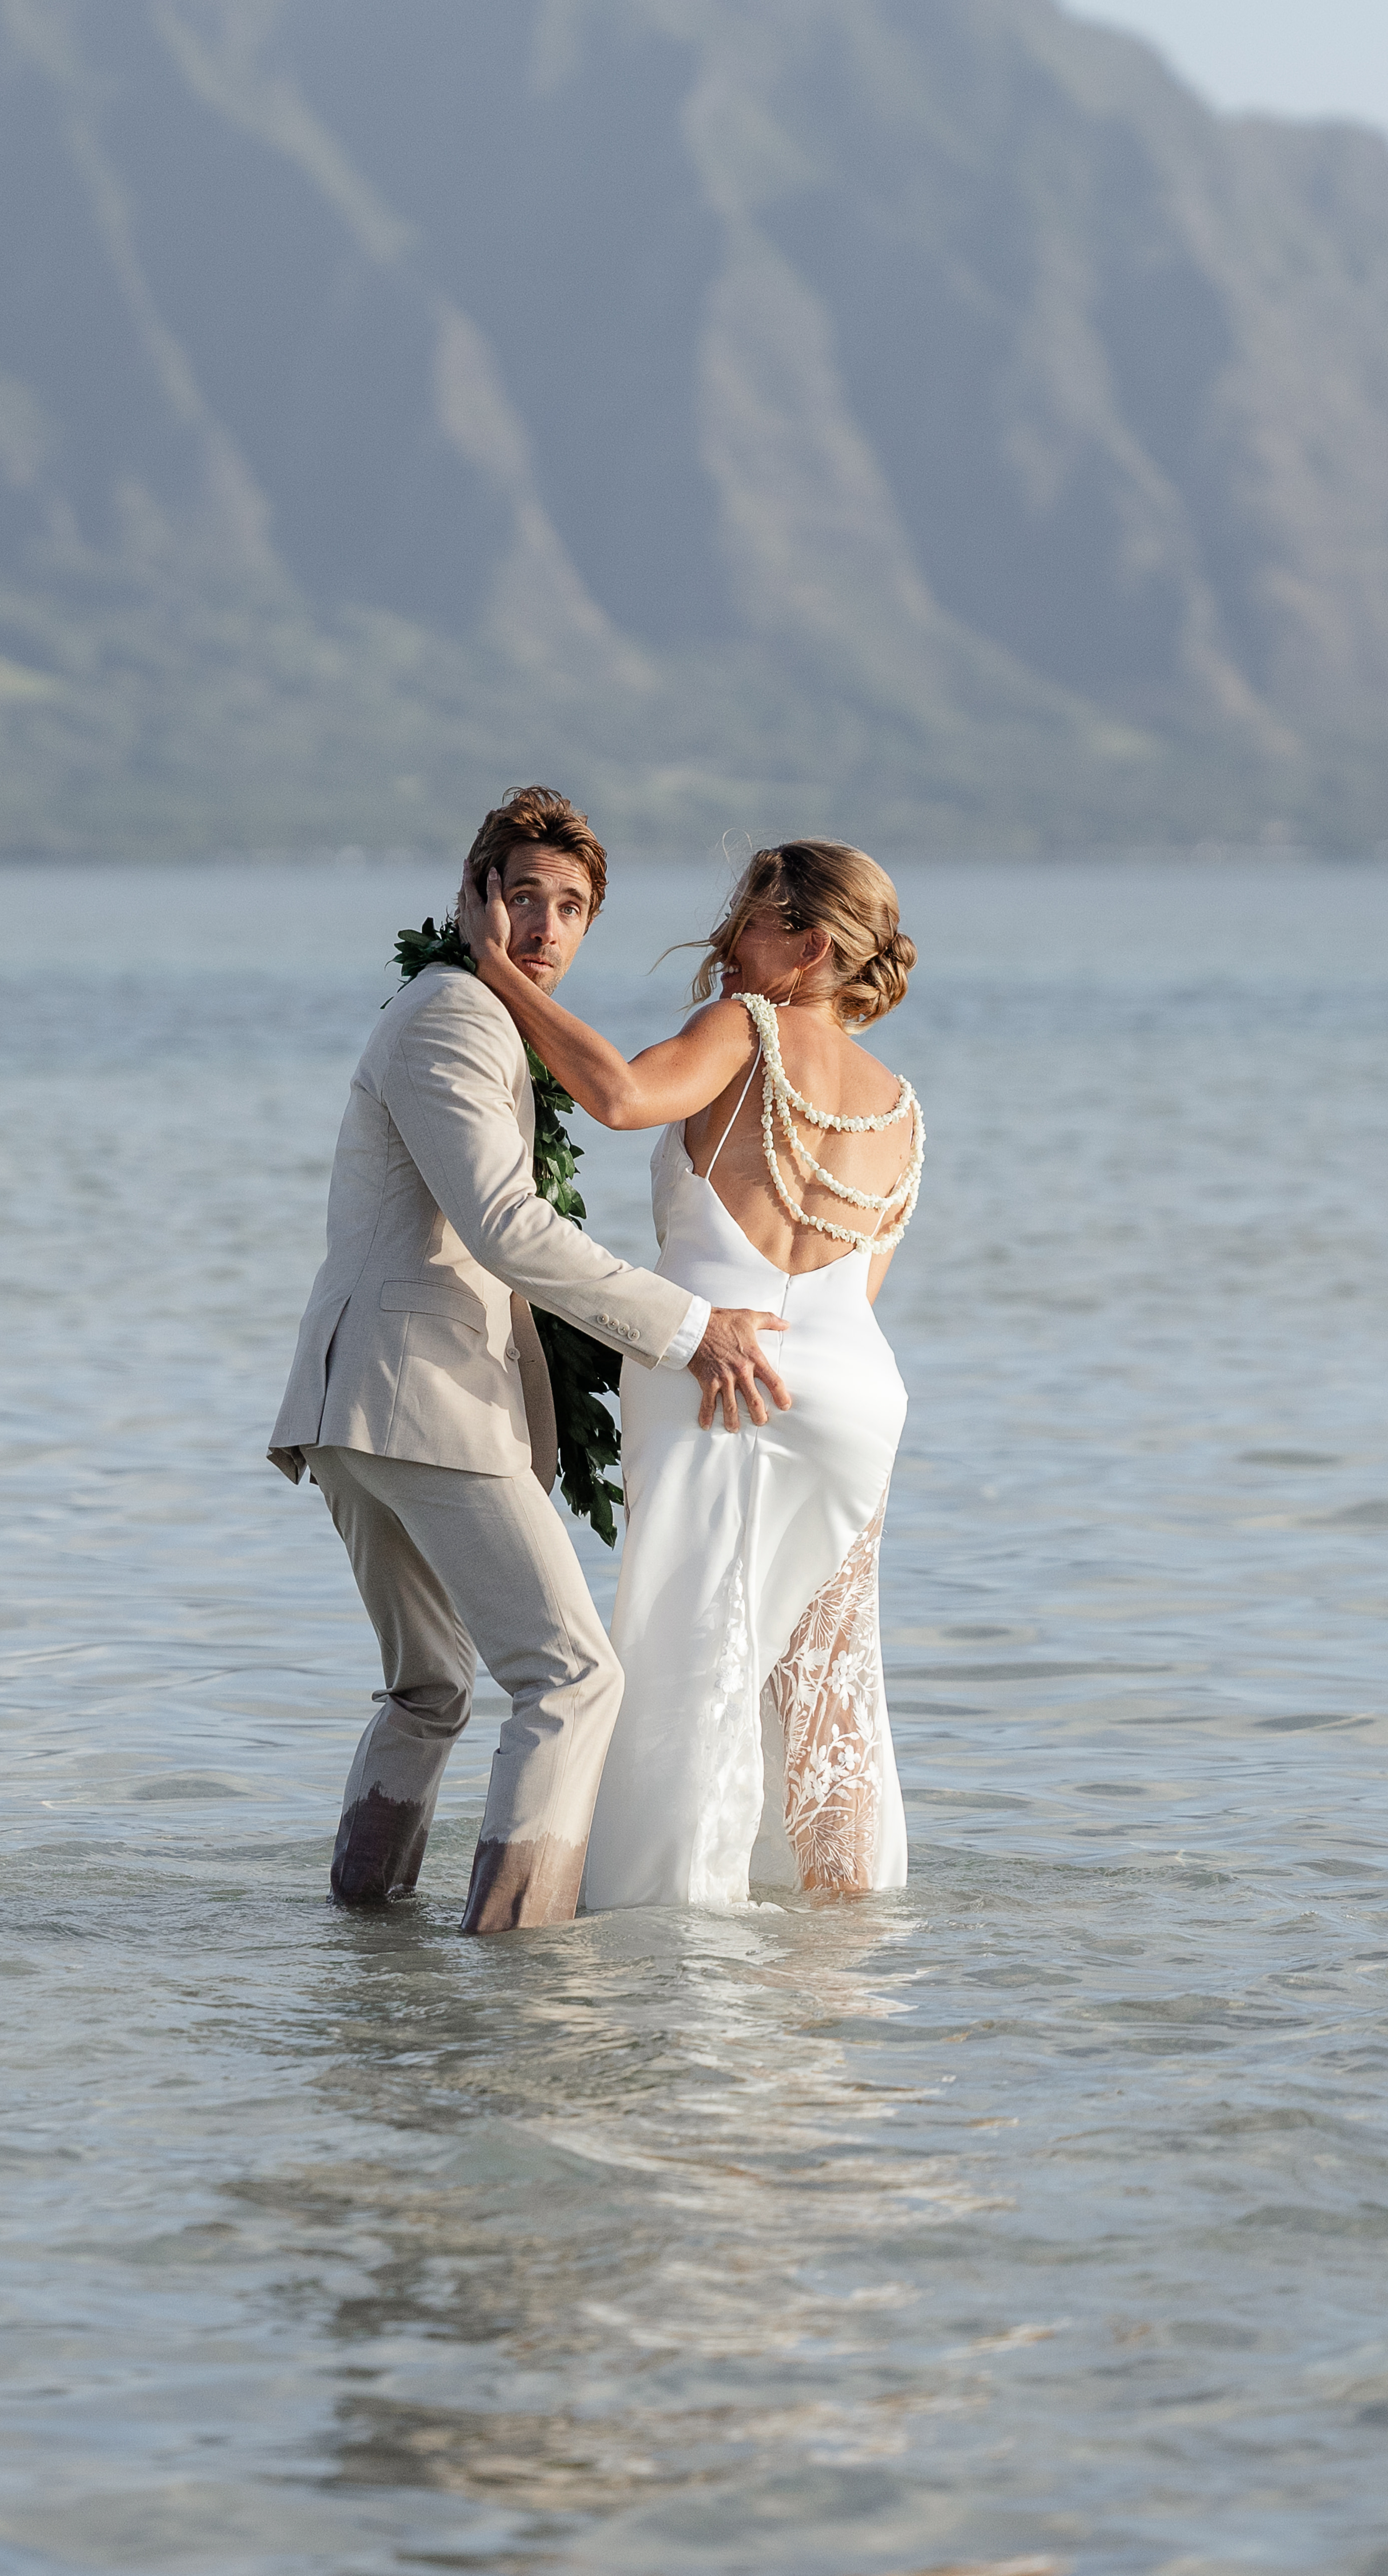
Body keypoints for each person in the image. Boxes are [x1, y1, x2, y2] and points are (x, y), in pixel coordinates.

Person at [267, 788, 795, 1934]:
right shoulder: (454, 1014)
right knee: (573, 1679)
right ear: (473, 902)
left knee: (431, 1689)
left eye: (569, 908)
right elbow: (507, 1226)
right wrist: (691, 1328)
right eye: (521, 899)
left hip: (364, 1403)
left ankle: (363, 1940)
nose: (545, 928)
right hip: (421, 1399)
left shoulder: (466, 1014)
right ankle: (518, 1963)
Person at [466, 841, 923, 1907]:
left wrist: (496, 971)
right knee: (828, 1672)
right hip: (855, 1395)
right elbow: (857, 1297)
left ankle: (674, 1921)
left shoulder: (746, 1027)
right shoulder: (903, 1106)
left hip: (724, 1376)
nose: (726, 943)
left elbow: (623, 1097)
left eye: (750, 921)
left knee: (692, 1648)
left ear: (807, 949)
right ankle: (840, 1925)